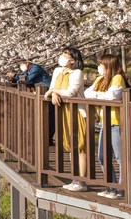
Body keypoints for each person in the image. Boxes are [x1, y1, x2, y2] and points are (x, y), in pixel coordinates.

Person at [44, 46, 88, 192]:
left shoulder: (77, 73)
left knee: (80, 146)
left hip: (76, 112)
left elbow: (70, 92)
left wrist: (53, 92)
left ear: (73, 60)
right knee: (70, 146)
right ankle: (74, 178)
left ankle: (81, 181)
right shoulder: (57, 71)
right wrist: (54, 93)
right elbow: (53, 87)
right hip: (63, 112)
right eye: (63, 53)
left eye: (66, 55)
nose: (63, 57)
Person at [84, 53, 127, 200]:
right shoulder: (100, 79)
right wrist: (98, 94)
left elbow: (112, 96)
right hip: (104, 123)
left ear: (108, 66)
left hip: (117, 123)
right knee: (102, 156)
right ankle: (112, 186)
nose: (99, 67)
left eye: (102, 65)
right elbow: (86, 92)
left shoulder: (118, 78)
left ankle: (121, 189)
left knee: (120, 158)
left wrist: (96, 95)